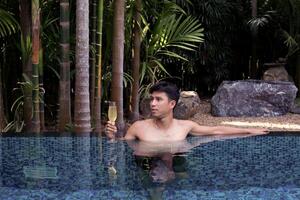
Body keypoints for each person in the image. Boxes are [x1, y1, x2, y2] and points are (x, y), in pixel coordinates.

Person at [105, 81, 268, 142]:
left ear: (172, 104)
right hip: (147, 167)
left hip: (175, 164)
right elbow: (122, 148)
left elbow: (216, 130)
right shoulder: (138, 127)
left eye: (158, 99)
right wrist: (111, 138)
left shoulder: (185, 126)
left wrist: (249, 130)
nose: (152, 104)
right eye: (152, 99)